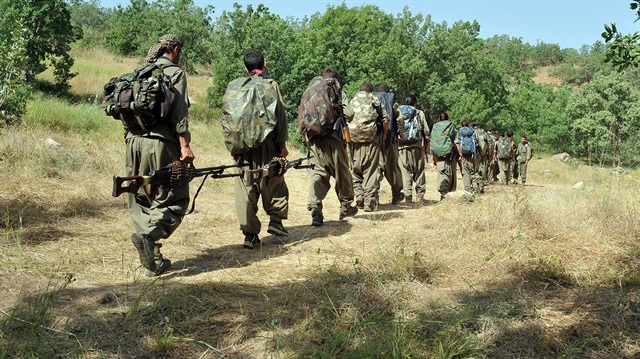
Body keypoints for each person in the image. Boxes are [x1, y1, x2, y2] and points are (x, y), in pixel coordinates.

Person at [127, 34, 194, 276]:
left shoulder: (141, 72)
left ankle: (153, 260)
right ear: (175, 49)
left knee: (142, 196)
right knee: (175, 197)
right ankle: (150, 237)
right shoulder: (175, 72)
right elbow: (179, 113)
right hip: (161, 143)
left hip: (133, 142)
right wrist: (184, 146)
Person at [225, 50, 289, 249]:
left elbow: (228, 117)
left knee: (245, 188)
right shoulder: (271, 85)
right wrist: (282, 145)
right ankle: (276, 221)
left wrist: (232, 144)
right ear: (265, 64)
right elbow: (280, 115)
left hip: (242, 146)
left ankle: (250, 235)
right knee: (273, 179)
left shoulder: (235, 86)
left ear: (246, 68)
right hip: (267, 143)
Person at [300, 68, 358, 226]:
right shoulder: (336, 89)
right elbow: (350, 113)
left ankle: (316, 210)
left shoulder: (310, 89)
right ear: (335, 79)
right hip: (333, 138)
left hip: (313, 138)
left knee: (317, 174)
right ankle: (345, 207)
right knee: (342, 172)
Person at [348, 82, 388, 212]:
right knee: (370, 171)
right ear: (371, 91)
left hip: (353, 141)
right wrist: (384, 134)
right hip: (371, 140)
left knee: (355, 170)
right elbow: (385, 120)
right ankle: (369, 202)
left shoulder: (352, 100)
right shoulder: (373, 98)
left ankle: (359, 195)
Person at [374, 84, 404, 205]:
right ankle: (396, 195)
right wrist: (400, 132)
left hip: (375, 140)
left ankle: (374, 197)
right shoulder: (394, 104)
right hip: (390, 140)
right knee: (392, 168)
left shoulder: (373, 101)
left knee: (376, 167)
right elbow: (400, 119)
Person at [397, 94, 430, 203]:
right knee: (419, 171)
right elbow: (426, 130)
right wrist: (426, 143)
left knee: (405, 171)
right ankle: (420, 196)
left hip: (401, 147)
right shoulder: (419, 112)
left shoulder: (398, 111)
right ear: (414, 103)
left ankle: (408, 197)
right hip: (416, 146)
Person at [431, 112, 457, 200]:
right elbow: (455, 139)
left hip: (437, 154)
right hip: (448, 154)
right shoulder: (450, 125)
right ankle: (447, 195)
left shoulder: (435, 126)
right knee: (450, 174)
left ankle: (443, 194)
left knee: (441, 173)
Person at [455, 120, 483, 194]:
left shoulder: (459, 132)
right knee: (474, 172)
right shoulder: (473, 131)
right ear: (468, 125)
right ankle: (477, 190)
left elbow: (457, 145)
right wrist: (479, 154)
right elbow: (478, 144)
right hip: (473, 155)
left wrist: (461, 155)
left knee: (466, 173)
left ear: (461, 125)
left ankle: (468, 191)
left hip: (464, 155)